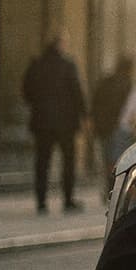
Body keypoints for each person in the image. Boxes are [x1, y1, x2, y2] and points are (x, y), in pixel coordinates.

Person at [22, 30, 86, 215]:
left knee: (42, 162)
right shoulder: (67, 65)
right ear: (60, 44)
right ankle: (67, 200)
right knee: (68, 161)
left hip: (42, 122)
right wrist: (83, 114)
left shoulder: (36, 65)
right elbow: (77, 93)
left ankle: (41, 202)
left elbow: (26, 90)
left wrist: (38, 105)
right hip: (66, 123)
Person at [91, 55, 136, 192]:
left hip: (104, 127)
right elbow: (132, 110)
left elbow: (95, 103)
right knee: (118, 159)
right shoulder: (130, 84)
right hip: (121, 127)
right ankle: (115, 188)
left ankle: (108, 187)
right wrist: (135, 127)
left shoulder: (105, 82)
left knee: (107, 159)